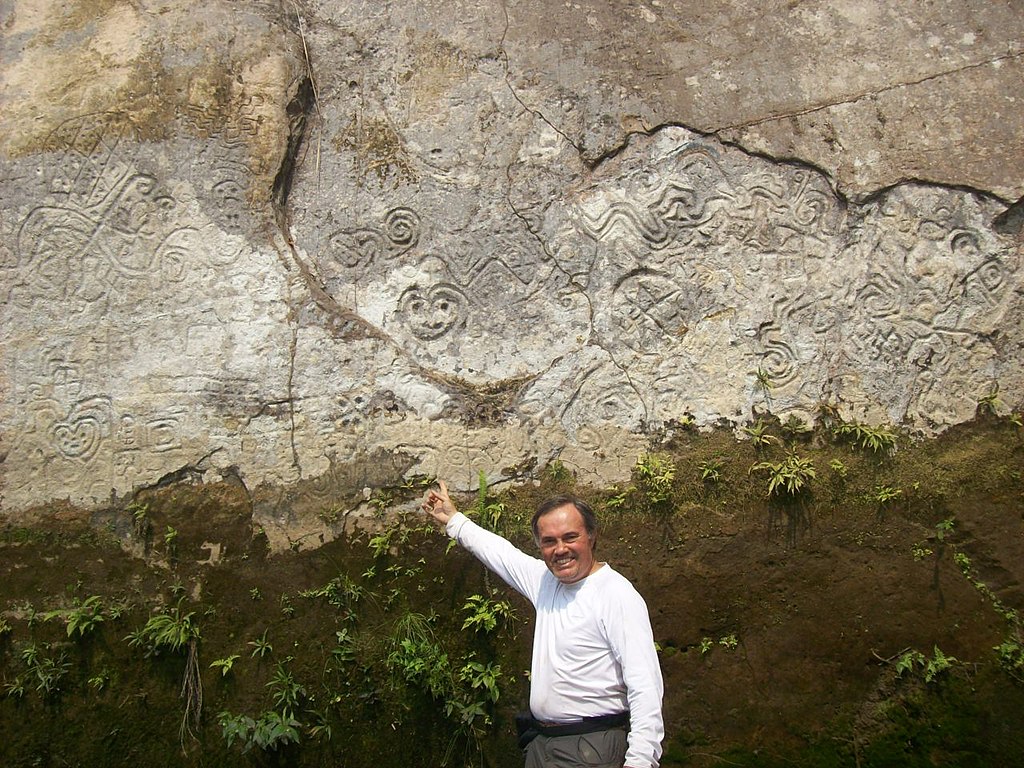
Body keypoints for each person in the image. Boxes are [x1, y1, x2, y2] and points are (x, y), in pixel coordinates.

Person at [422, 480, 664, 768]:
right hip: (541, 745)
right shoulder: (546, 583)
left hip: (592, 748)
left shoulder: (615, 594)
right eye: (549, 541)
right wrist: (453, 520)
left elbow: (645, 686)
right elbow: (502, 554)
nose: (560, 549)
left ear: (591, 536)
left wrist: (639, 762)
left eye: (570, 537)